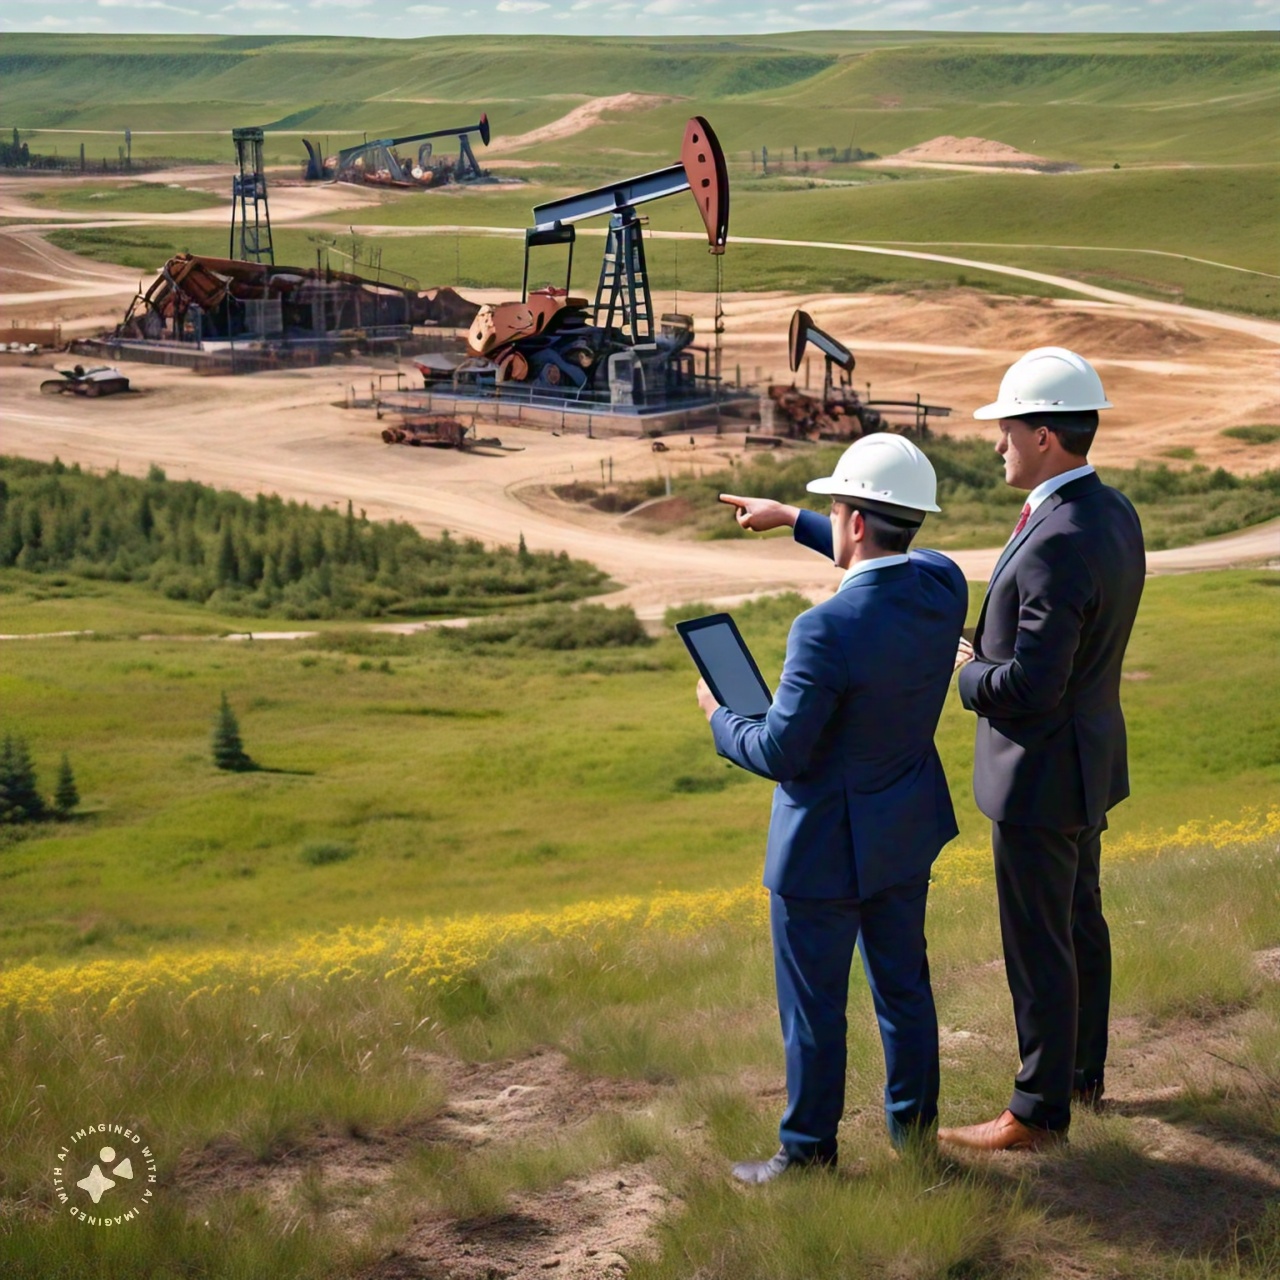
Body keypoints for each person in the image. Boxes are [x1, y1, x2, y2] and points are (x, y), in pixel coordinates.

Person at [698, 435, 968, 1183]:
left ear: (851, 521)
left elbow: (783, 753)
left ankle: (809, 1154)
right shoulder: (944, 585)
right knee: (904, 991)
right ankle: (915, 1138)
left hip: (820, 849)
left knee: (814, 1009)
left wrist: (721, 718)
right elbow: (883, 552)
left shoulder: (822, 630)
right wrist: (791, 518)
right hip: (903, 834)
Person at [941, 347, 1145, 1152]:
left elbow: (1030, 686)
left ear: (1047, 438)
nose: (997, 444)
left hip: (1039, 775)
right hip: (1086, 763)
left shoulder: (1057, 536)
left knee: (1039, 943)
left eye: (1007, 429)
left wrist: (968, 671)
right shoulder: (1111, 511)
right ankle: (1081, 1079)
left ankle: (1036, 1113)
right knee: (1080, 925)